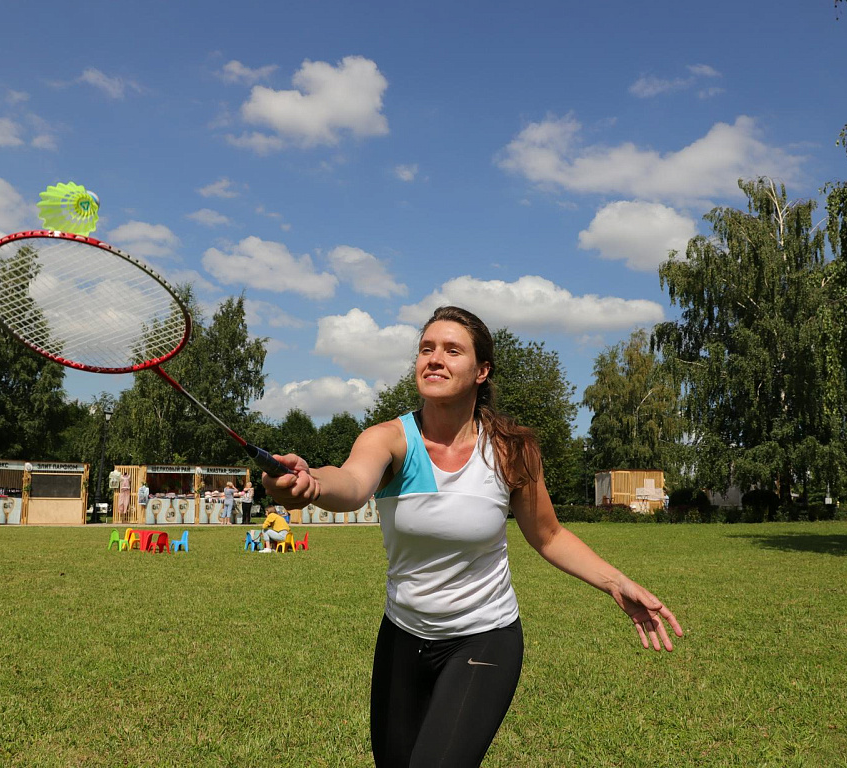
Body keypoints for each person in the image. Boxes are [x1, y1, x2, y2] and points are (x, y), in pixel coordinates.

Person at [261, 306, 683, 768]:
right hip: (402, 637)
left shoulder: (510, 449)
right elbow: (351, 482)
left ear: (482, 371)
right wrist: (312, 485)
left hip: (484, 638)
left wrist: (614, 582)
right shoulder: (389, 439)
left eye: (451, 350)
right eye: (426, 349)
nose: (434, 359)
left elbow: (548, 535)